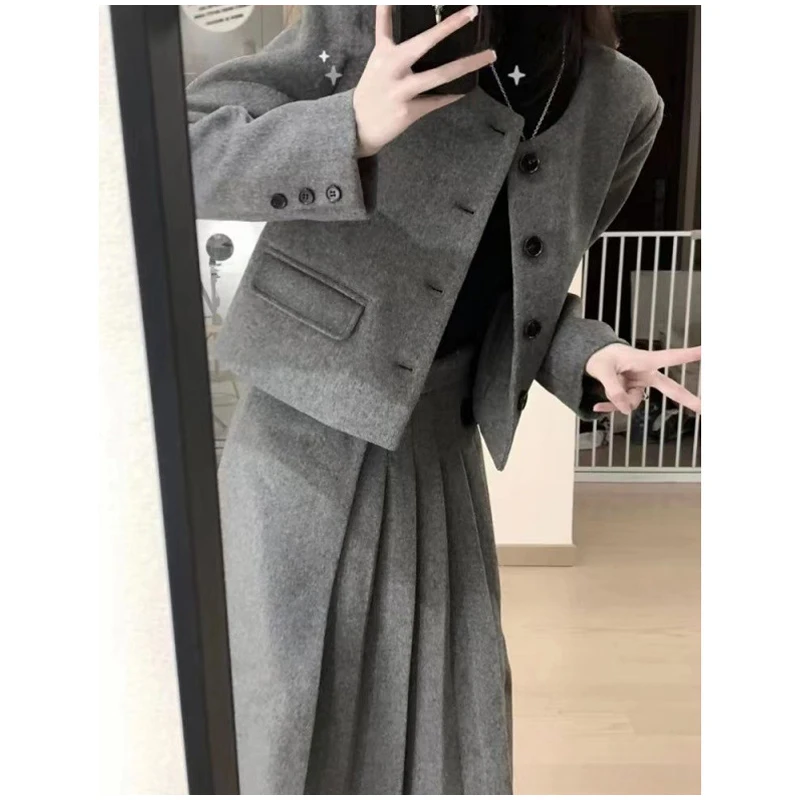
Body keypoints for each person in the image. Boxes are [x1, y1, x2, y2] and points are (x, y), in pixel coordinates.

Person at [186, 5, 701, 794]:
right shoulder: (369, 24)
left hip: (439, 450)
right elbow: (182, 150)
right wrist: (347, 127)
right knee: (277, 708)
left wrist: (586, 352)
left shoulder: (621, 102)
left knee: (447, 725)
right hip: (298, 432)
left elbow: (517, 284)